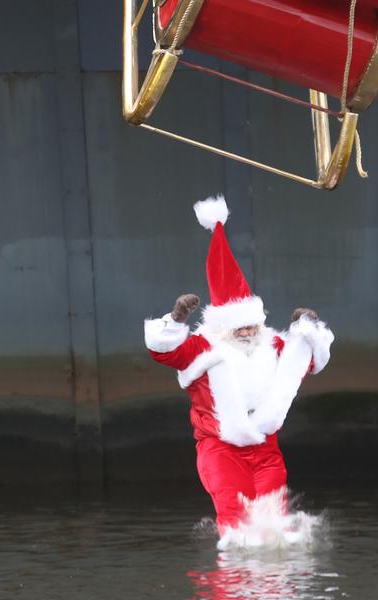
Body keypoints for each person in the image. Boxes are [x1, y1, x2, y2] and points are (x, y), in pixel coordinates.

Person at [144, 195, 334, 546]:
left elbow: (307, 361)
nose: (247, 332)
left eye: (251, 326)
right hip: (219, 448)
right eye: (239, 328)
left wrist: (307, 329)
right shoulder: (203, 348)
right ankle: (235, 584)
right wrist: (176, 319)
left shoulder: (272, 346)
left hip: (265, 448)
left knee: (274, 523)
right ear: (223, 328)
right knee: (234, 519)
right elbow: (163, 351)